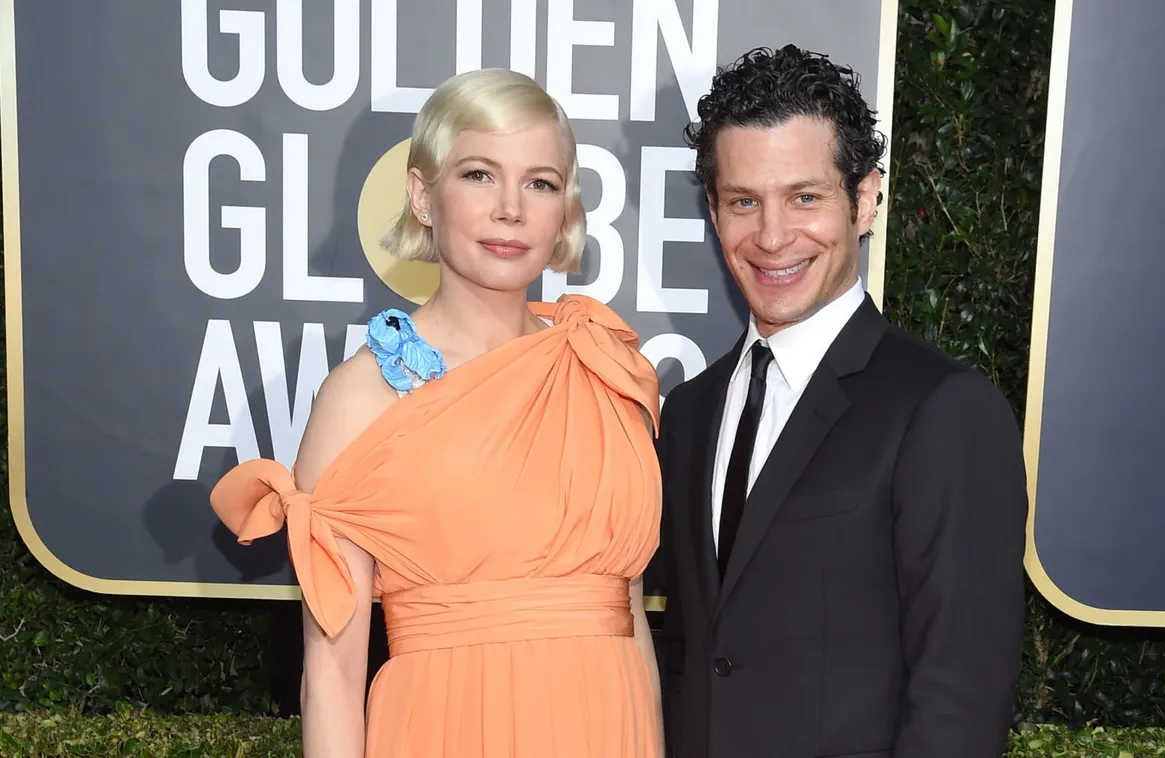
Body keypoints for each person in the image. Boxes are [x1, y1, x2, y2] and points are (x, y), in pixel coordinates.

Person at [210, 68, 664, 758]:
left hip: (613, 724)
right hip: (448, 727)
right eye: (479, 175)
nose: (510, 208)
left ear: (564, 211)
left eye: (539, 183)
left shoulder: (602, 363)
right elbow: (330, 674)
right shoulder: (359, 397)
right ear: (423, 196)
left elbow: (628, 613)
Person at [653, 45, 1027, 757]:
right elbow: (692, 654)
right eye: (743, 202)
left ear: (862, 199)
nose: (770, 237)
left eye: (803, 197)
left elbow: (959, 695)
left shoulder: (942, 409)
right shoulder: (691, 411)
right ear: (712, 211)